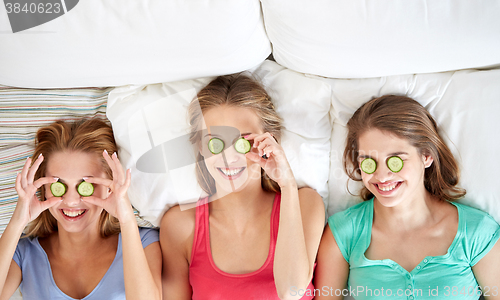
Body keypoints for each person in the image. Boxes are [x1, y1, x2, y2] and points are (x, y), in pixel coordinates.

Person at [315, 95, 500, 299]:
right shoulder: (342, 233)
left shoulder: (477, 231)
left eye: (396, 160)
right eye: (369, 162)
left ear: (427, 155)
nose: (382, 176)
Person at [160, 74, 325, 300]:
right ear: (200, 146)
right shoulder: (179, 226)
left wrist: (286, 183)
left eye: (243, 142)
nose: (229, 157)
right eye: (215, 142)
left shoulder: (305, 204)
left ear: (270, 140)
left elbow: (290, 291)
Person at [0, 118, 162, 300]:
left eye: (86, 184)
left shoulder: (144, 241)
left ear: (110, 186)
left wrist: (127, 220)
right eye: (58, 184)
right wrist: (18, 221)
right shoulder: (22, 254)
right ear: (43, 188)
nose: (70, 201)